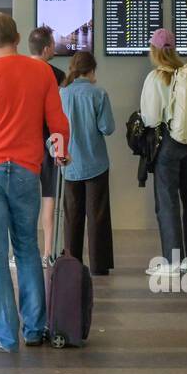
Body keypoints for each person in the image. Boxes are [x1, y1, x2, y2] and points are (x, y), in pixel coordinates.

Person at [0, 12, 70, 353]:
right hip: (26, 169)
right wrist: (61, 150)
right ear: (18, 39)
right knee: (26, 249)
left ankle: (5, 334)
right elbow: (58, 123)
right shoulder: (41, 72)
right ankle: (35, 328)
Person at [140, 29, 187, 275]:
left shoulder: (157, 77)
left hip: (168, 143)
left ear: (155, 51)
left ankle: (173, 261)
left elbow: (149, 117)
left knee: (167, 202)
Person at [59, 51, 116, 275]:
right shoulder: (98, 94)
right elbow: (107, 128)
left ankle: (71, 263)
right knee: (97, 215)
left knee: (72, 216)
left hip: (70, 165)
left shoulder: (61, 94)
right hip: (96, 163)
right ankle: (99, 266)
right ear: (91, 70)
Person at [29, 25, 66, 265]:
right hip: (49, 143)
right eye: (53, 44)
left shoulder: (18, 72)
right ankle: (48, 253)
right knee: (49, 197)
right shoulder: (58, 76)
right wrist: (61, 147)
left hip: (24, 143)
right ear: (46, 48)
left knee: (22, 199)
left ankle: (21, 254)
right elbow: (58, 115)